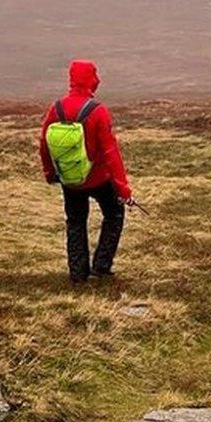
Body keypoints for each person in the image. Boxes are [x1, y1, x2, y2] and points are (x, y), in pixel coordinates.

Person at [39, 60, 134, 284]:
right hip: (99, 178)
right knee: (114, 215)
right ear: (92, 80)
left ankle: (78, 273)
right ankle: (101, 266)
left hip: (70, 179)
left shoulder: (57, 108)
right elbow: (111, 153)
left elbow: (44, 144)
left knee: (75, 221)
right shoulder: (98, 111)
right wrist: (124, 189)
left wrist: (50, 173)